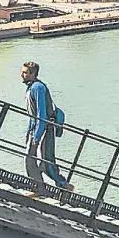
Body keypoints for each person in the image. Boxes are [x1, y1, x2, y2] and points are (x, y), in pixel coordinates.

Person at [22, 61, 73, 195]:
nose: (22, 75)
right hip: (37, 128)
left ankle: (63, 185)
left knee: (45, 161)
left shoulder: (38, 88)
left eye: (25, 73)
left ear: (33, 74)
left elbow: (41, 114)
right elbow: (32, 114)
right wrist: (29, 132)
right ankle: (39, 188)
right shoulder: (31, 87)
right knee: (31, 159)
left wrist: (37, 136)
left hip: (44, 128)